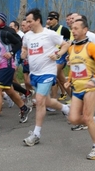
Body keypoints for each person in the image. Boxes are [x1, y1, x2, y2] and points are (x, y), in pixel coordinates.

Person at [21, 8, 70, 146]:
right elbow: (24, 48)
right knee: (46, 101)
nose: (28, 24)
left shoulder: (49, 34)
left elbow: (65, 44)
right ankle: (66, 109)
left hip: (48, 72)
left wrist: (58, 54)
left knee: (39, 100)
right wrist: (23, 53)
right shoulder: (27, 36)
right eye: (27, 21)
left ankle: (36, 134)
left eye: (30, 21)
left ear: (38, 20)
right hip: (34, 74)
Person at [65, 18, 95, 160]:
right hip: (77, 89)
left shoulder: (91, 47)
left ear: (85, 30)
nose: (73, 30)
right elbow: (74, 66)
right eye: (72, 28)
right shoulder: (71, 48)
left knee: (87, 117)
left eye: (77, 28)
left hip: (90, 88)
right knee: (73, 119)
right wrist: (69, 79)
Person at [0, 15, 32, 127]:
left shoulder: (4, 34)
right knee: (9, 90)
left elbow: (19, 43)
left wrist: (11, 53)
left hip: (7, 66)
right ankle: (24, 108)